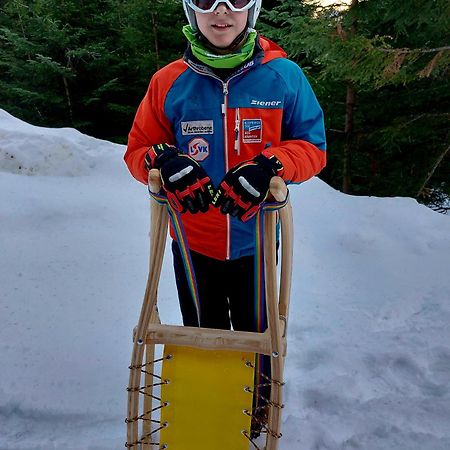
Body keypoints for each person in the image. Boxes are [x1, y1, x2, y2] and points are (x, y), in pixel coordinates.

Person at [125, 0, 326, 438]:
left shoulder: (283, 76)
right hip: (192, 238)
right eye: (206, 1)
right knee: (204, 331)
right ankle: (211, 416)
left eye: (234, 1)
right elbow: (139, 150)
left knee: (258, 330)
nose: (221, 12)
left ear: (250, 11)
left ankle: (255, 414)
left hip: (256, 238)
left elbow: (313, 146)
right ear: (190, 9)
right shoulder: (168, 82)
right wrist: (165, 163)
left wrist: (271, 164)